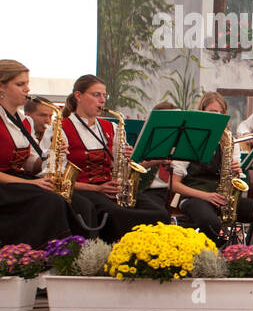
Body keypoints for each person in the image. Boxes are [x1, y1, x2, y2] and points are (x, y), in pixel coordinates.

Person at [48, 74, 170, 240]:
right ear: (78, 96)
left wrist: (127, 159)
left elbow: (121, 169)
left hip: (111, 189)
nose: (102, 100)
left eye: (104, 95)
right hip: (82, 191)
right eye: (96, 95)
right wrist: (97, 188)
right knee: (118, 213)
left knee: (159, 212)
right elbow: (57, 178)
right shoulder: (61, 128)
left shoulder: (111, 127)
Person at [0, 60, 80, 246]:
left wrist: (51, 153)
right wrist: (35, 183)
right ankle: (39, 255)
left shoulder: (23, 120)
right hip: (5, 187)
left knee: (78, 202)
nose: (27, 89)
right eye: (20, 84)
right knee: (49, 200)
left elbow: (28, 162)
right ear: (1, 87)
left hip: (17, 182)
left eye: (27, 84)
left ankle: (78, 255)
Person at [167, 92, 252, 244]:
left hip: (223, 198)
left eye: (222, 113)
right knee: (210, 222)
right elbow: (174, 184)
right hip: (194, 197)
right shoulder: (189, 138)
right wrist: (206, 196)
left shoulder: (230, 141)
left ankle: (249, 254)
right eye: (213, 112)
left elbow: (235, 182)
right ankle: (212, 257)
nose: (218, 116)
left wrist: (235, 173)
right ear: (202, 113)